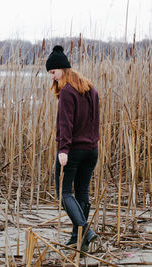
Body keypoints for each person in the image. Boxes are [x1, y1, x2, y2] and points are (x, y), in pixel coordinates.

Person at [46, 45, 100, 251]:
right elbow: (95, 121)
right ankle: (78, 239)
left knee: (64, 193)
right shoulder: (90, 88)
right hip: (91, 150)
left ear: (63, 69)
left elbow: (65, 123)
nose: (52, 77)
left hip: (72, 151)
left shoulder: (68, 91)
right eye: (50, 73)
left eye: (53, 72)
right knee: (82, 194)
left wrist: (63, 149)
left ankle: (86, 230)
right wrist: (93, 142)